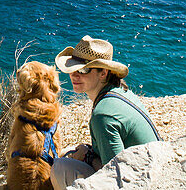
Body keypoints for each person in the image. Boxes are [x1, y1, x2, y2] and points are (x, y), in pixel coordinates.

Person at [50, 36, 161, 189]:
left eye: (83, 69)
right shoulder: (122, 93)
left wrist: (88, 157)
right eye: (73, 68)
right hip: (153, 172)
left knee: (60, 168)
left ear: (103, 73)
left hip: (141, 182)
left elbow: (115, 175)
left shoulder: (103, 114)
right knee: (69, 152)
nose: (74, 75)